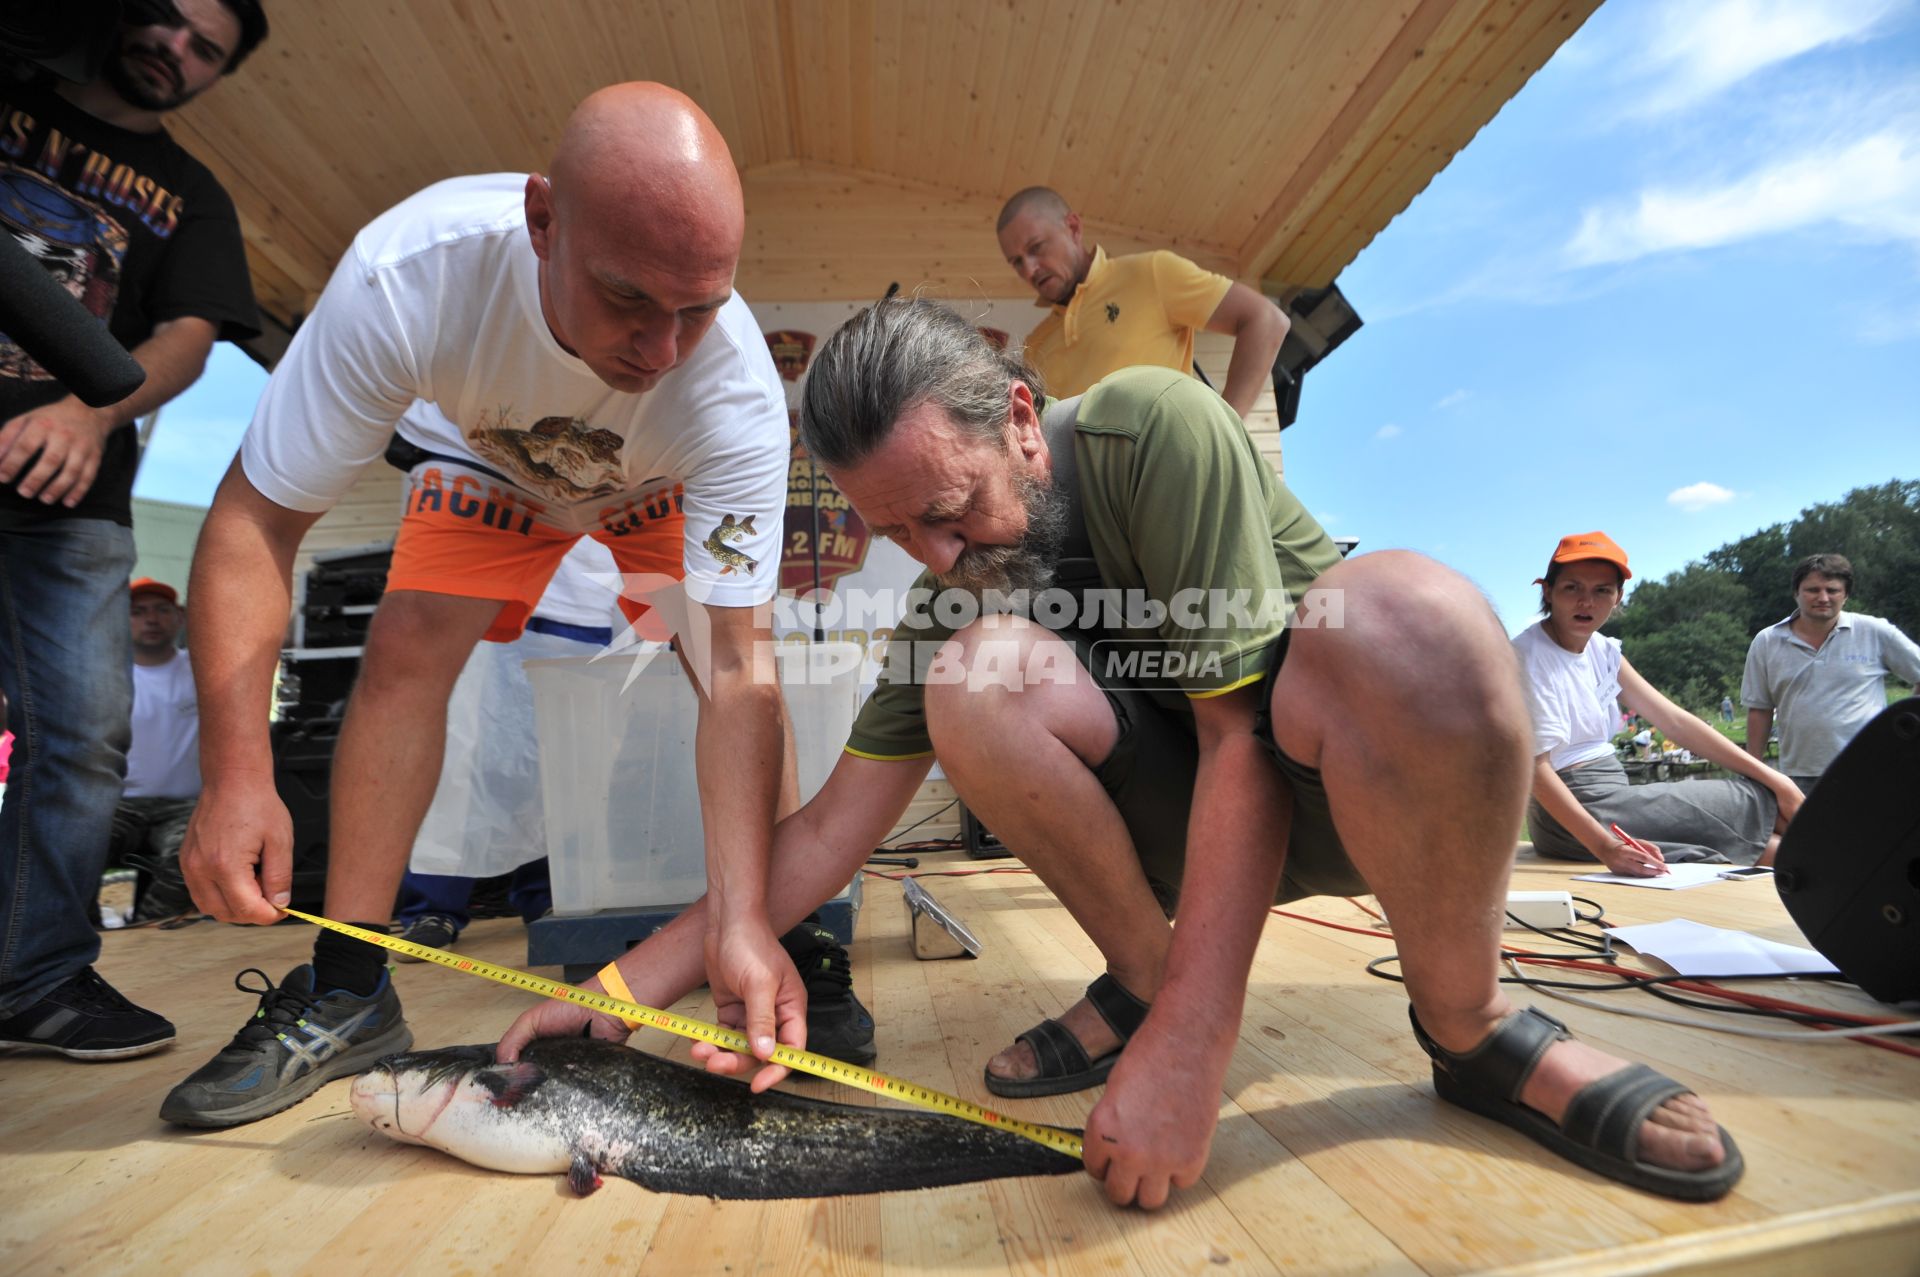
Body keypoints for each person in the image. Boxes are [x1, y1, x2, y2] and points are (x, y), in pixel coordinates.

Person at [498, 300, 1745, 1209]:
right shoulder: (954, 590)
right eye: (897, 537)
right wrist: (621, 988)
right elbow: (830, 828)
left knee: (1410, 606)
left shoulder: (1155, 427)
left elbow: (1241, 743)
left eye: (949, 510)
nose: (937, 559)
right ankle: (1148, 977)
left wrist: (1193, 1054)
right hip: (1189, 831)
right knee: (973, 674)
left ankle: (1469, 1025)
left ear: (1024, 422)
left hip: (1343, 789)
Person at [164, 83, 850, 1127]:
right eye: (628, 299)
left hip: (659, 481)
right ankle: (351, 984)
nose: (663, 349)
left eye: (700, 308)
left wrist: (738, 914)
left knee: (722, 656)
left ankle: (785, 949)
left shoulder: (733, 396)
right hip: (495, 456)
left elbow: (741, 675)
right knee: (405, 642)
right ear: (543, 221)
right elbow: (254, 520)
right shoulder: (410, 274)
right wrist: (236, 772)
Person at [0, 0, 266, 1061]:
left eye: (207, 49)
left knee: (79, 731)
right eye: (167, 21)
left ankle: (38, 980)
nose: (177, 50)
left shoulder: (194, 195)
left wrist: (91, 408)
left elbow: (191, 335)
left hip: (74, 495)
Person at [1515, 533, 1802, 875]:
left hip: (1613, 798)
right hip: (1575, 812)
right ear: (1548, 592)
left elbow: (1674, 721)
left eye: (1601, 591)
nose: (1586, 602)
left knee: (1769, 825)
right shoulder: (1528, 657)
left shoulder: (1602, 650)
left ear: (1618, 597)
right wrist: (1606, 847)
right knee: (1756, 801)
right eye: (1572, 588)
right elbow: (1536, 770)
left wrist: (1776, 778)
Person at [995, 187, 1287, 418]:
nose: (1029, 270)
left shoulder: (1152, 273)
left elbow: (1266, 320)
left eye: (1036, 247)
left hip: (1169, 481)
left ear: (1072, 228)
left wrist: (1227, 431)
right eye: (1016, 261)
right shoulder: (1035, 345)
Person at [1741, 553, 1920, 795]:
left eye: (1832, 590)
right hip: (1798, 775)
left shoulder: (1874, 632)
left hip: (1872, 768)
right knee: (1805, 835)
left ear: (1845, 595)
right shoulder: (1767, 641)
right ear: (1796, 593)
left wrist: (1908, 730)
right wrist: (1754, 771)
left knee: (1870, 834)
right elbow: (1759, 710)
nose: (1823, 598)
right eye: (1813, 590)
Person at [108, 578, 203, 923]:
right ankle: (106, 924)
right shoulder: (106, 677)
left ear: (179, 617)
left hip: (184, 807)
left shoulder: (201, 670)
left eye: (162, 610)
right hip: (118, 804)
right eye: (139, 611)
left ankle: (146, 928)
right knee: (79, 847)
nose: (151, 619)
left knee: (191, 853)